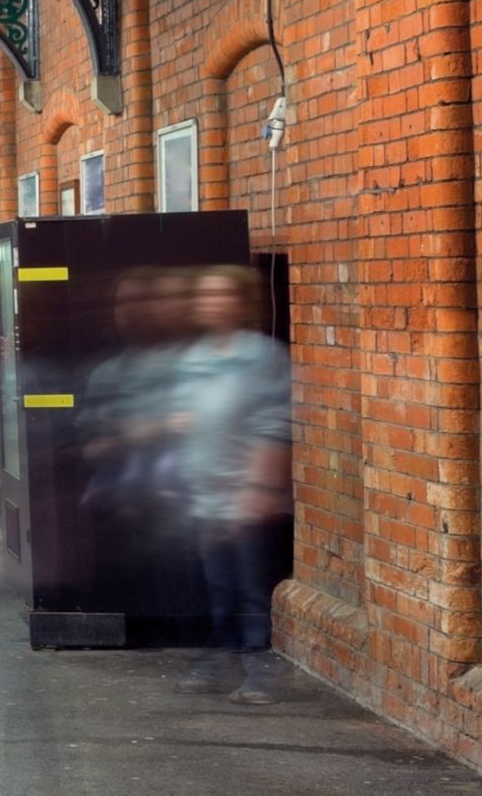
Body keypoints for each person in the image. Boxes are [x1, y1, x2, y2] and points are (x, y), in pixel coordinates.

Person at [162, 265, 293, 704]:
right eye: (205, 295)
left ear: (242, 302)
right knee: (220, 586)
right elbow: (182, 417)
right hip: (204, 496)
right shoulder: (195, 357)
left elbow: (274, 427)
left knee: (251, 588)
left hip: (245, 495)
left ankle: (258, 674)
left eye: (222, 294)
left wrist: (256, 490)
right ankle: (218, 661)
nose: (212, 303)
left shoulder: (262, 358)